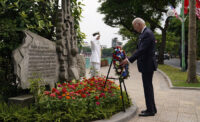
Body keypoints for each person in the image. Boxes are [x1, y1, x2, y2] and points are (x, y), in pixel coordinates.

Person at [121, 18, 157, 116]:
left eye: (134, 27)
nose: (134, 29)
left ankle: (150, 110)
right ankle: (152, 108)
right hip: (147, 64)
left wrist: (128, 60)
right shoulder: (145, 33)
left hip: (147, 65)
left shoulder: (147, 34)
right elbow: (140, 49)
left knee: (147, 87)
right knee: (148, 87)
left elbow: (141, 50)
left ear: (139, 24)